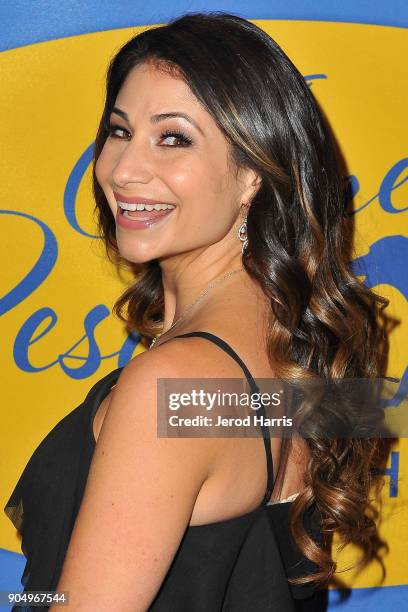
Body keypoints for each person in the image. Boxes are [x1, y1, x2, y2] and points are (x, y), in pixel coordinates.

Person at [4, 11, 390, 611]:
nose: (123, 170)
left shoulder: (175, 384)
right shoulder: (281, 343)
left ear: (252, 176)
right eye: (119, 131)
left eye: (174, 138)